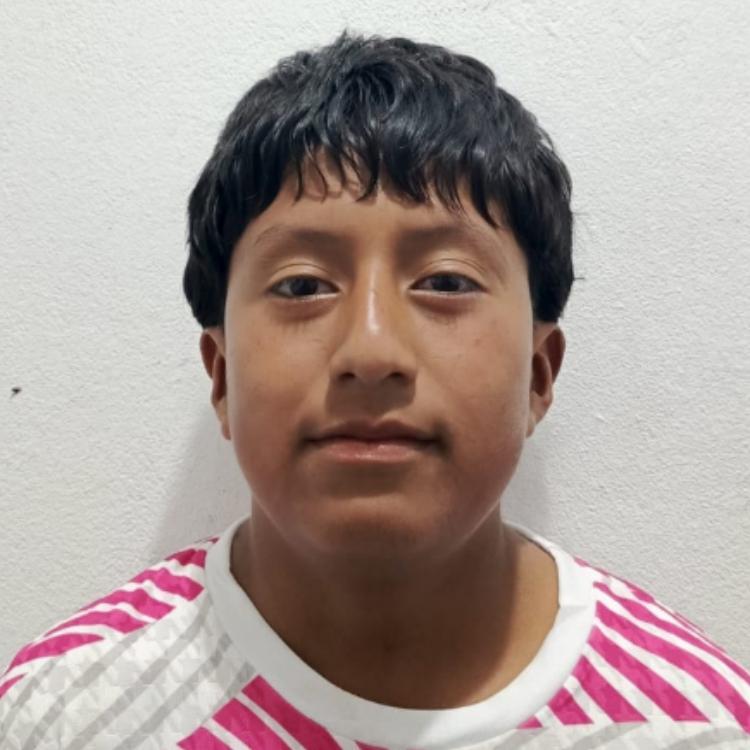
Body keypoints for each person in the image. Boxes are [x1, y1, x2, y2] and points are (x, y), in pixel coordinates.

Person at [2, 29, 748, 750]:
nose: (371, 351)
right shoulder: (63, 717)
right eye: (302, 285)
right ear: (221, 375)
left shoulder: (701, 724)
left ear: (538, 374)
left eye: (446, 282)